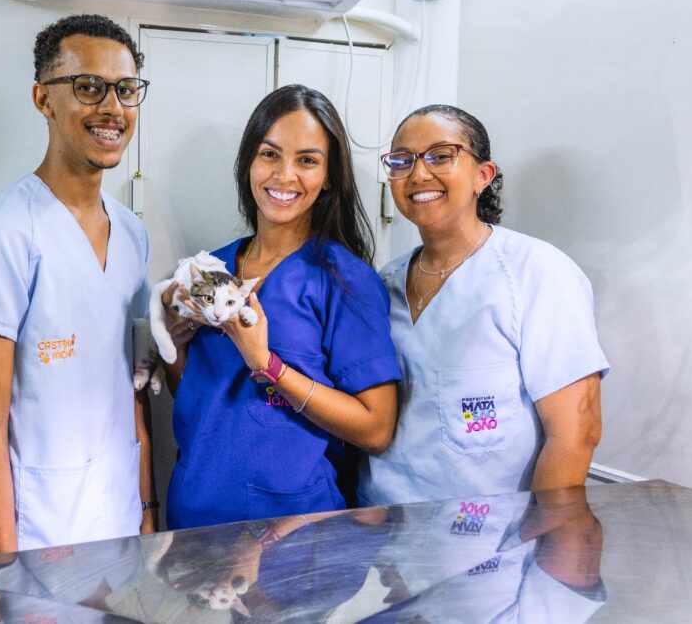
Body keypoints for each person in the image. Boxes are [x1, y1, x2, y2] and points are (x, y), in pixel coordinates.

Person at [0, 14, 157, 556]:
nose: (112, 107)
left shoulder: (132, 234)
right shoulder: (4, 232)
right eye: (88, 87)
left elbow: (133, 389)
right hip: (37, 533)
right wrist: (6, 569)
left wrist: (147, 511)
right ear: (44, 98)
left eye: (126, 89)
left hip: (118, 518)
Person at [160, 84, 402, 529]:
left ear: (329, 177)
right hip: (194, 515)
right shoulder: (212, 269)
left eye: (307, 160)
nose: (284, 175)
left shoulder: (345, 281)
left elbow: (376, 429)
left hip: (293, 531)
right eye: (270, 154)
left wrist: (267, 365)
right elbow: (201, 398)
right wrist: (173, 347)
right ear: (249, 163)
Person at [359, 104, 609, 507]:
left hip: (496, 536)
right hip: (385, 528)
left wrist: (547, 537)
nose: (419, 174)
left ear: (483, 175)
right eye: (402, 161)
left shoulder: (537, 273)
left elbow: (577, 431)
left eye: (441, 156)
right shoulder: (385, 283)